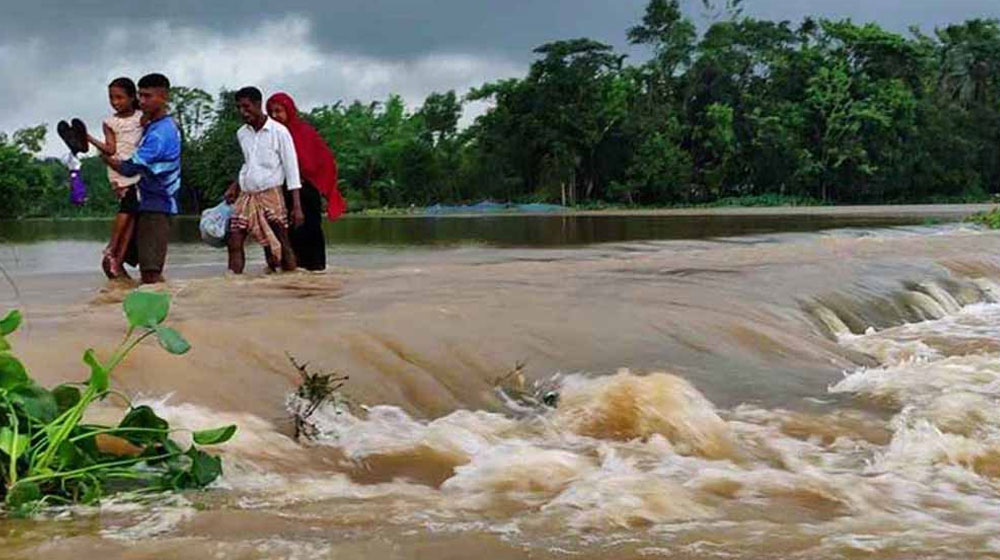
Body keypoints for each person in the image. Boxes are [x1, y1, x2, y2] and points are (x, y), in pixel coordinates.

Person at [101, 73, 181, 284]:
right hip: (142, 202)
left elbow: (129, 168)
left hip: (157, 206)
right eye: (140, 96)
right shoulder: (150, 126)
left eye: (147, 96)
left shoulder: (160, 134)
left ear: (163, 97)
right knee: (114, 264)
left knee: (150, 273)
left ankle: (164, 312)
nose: (142, 101)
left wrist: (104, 157)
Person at [224, 86, 304, 274]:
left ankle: (292, 281)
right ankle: (232, 285)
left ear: (258, 105)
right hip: (247, 196)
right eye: (239, 108)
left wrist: (297, 207)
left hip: (271, 195)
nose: (243, 113)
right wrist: (235, 185)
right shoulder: (242, 133)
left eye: (246, 107)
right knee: (234, 241)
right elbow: (248, 163)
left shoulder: (279, 132)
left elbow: (292, 170)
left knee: (281, 243)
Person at [265, 92, 346, 271]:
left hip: (305, 192)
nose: (274, 116)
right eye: (271, 112)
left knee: (309, 234)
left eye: (278, 111)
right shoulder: (268, 135)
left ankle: (316, 273)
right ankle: (289, 273)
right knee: (284, 237)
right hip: (279, 192)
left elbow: (321, 160)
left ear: (289, 111)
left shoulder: (304, 132)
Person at [88, 77, 143, 279]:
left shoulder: (142, 117)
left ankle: (117, 256)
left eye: (119, 97)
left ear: (131, 97)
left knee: (132, 213)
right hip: (118, 168)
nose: (115, 102)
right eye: (111, 98)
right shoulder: (109, 122)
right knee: (127, 207)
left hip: (137, 168)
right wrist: (89, 138)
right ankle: (112, 248)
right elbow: (110, 149)